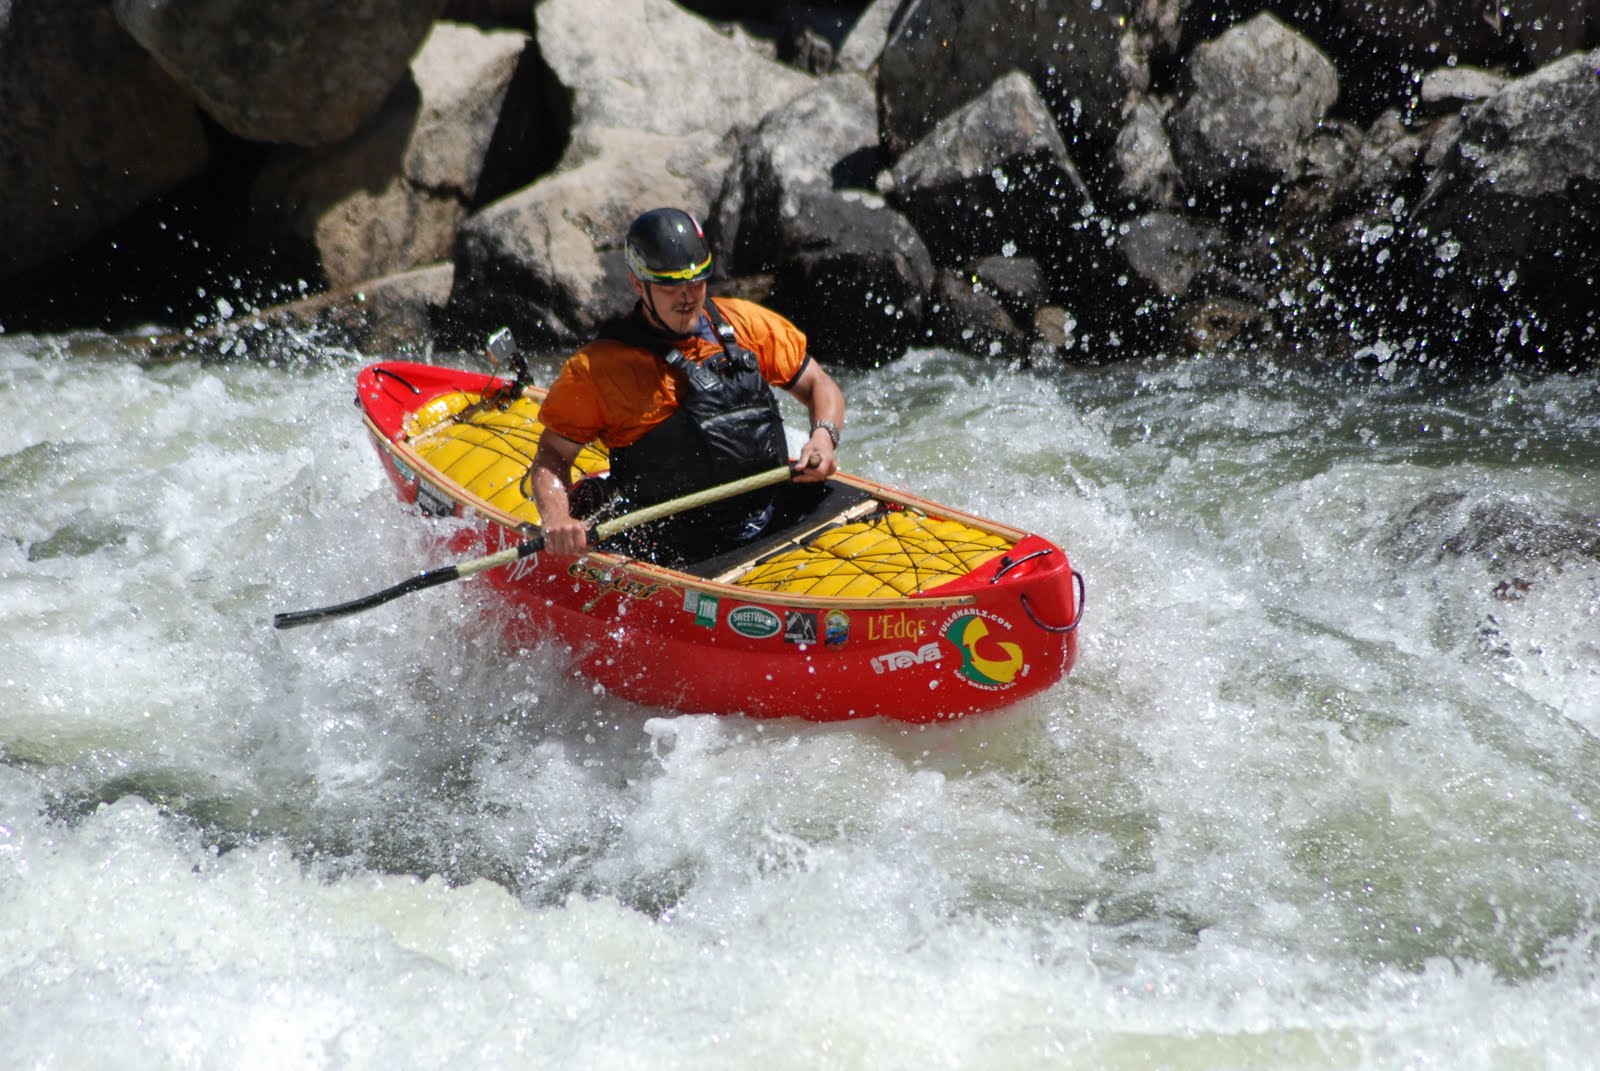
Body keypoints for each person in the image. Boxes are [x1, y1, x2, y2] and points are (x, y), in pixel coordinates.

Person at [525, 206, 846, 565]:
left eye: (697, 282)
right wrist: (556, 518)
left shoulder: (746, 324)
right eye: (671, 286)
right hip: (677, 546)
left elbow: (820, 384)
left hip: (770, 513)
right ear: (637, 283)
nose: (688, 297)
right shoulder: (597, 369)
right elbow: (552, 455)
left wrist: (823, 437)